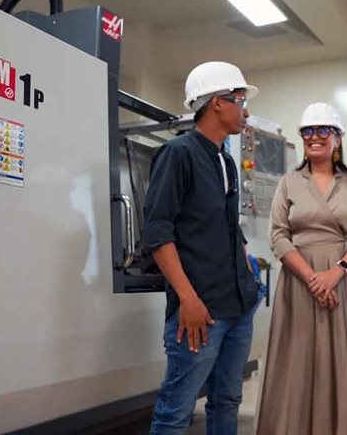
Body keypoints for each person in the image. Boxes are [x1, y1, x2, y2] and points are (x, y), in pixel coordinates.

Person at [143, 61, 261, 434]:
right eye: (239, 99)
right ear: (216, 104)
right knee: (174, 412)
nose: (245, 109)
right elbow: (158, 233)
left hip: (238, 306)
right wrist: (188, 300)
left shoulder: (225, 158)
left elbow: (224, 223)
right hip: (201, 312)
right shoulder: (178, 154)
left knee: (227, 401)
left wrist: (246, 264)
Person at [256, 102, 347, 435]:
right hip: (299, 284)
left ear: (338, 138)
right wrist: (314, 279)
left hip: (346, 285)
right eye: (307, 132)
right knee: (298, 366)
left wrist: (336, 272)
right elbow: (279, 236)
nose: (314, 137)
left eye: (322, 130)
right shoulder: (288, 182)